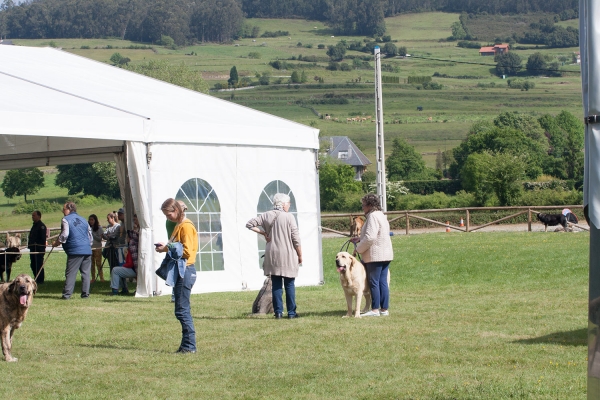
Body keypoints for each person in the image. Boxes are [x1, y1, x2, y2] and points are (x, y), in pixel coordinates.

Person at [246, 193, 302, 319]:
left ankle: (278, 312)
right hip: (288, 253)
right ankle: (292, 313)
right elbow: (296, 238)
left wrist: (263, 232)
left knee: (276, 284)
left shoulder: (266, 215)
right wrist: (300, 254)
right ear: (283, 204)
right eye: (288, 203)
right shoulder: (289, 217)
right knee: (289, 284)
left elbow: (249, 224)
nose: (289, 206)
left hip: (272, 254)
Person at [155, 198, 198, 354]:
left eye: (169, 214)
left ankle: (190, 346)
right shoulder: (179, 225)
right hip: (182, 270)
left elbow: (186, 251)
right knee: (181, 310)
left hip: (185, 270)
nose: (168, 218)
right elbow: (177, 247)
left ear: (177, 210)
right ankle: (185, 345)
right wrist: (165, 248)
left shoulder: (186, 227)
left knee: (182, 311)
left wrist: (169, 247)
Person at [350, 194, 393, 317]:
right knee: (382, 282)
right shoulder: (381, 215)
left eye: (364, 205)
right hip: (386, 254)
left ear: (370, 205)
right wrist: (359, 239)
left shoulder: (373, 216)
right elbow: (377, 235)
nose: (362, 208)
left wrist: (357, 249)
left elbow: (370, 238)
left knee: (374, 282)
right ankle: (384, 309)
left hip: (375, 255)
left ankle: (374, 310)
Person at [53, 202, 93, 299]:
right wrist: (88, 245)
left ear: (69, 209)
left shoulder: (65, 219)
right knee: (86, 273)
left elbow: (65, 234)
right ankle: (85, 294)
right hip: (87, 249)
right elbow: (90, 236)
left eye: (64, 209)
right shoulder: (84, 220)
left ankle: (67, 295)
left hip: (75, 250)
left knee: (71, 273)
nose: (63, 211)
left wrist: (57, 242)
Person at [110, 214, 139, 295]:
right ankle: (124, 288)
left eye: (135, 219)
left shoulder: (133, 246)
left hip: (134, 268)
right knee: (119, 270)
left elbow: (130, 263)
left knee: (115, 270)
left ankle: (115, 290)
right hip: (134, 267)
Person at [166, 201, 187, 303]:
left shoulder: (177, 223)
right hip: (176, 249)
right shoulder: (174, 222)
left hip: (174, 248)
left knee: (175, 274)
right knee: (177, 273)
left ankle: (176, 296)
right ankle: (176, 296)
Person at [27, 210, 47, 284]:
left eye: (34, 215)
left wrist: (38, 245)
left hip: (38, 249)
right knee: (33, 264)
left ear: (39, 216)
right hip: (33, 248)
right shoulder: (34, 225)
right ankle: (36, 277)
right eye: (32, 215)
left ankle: (40, 280)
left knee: (38, 264)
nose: (32, 217)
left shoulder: (41, 226)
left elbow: (42, 238)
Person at [88, 214, 105, 283]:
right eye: (90, 220)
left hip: (97, 247)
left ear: (95, 220)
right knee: (92, 264)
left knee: (98, 263)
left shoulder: (99, 228)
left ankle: (101, 278)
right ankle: (93, 278)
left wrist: (93, 234)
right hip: (90, 248)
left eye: (92, 220)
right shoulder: (88, 228)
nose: (91, 221)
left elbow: (99, 239)